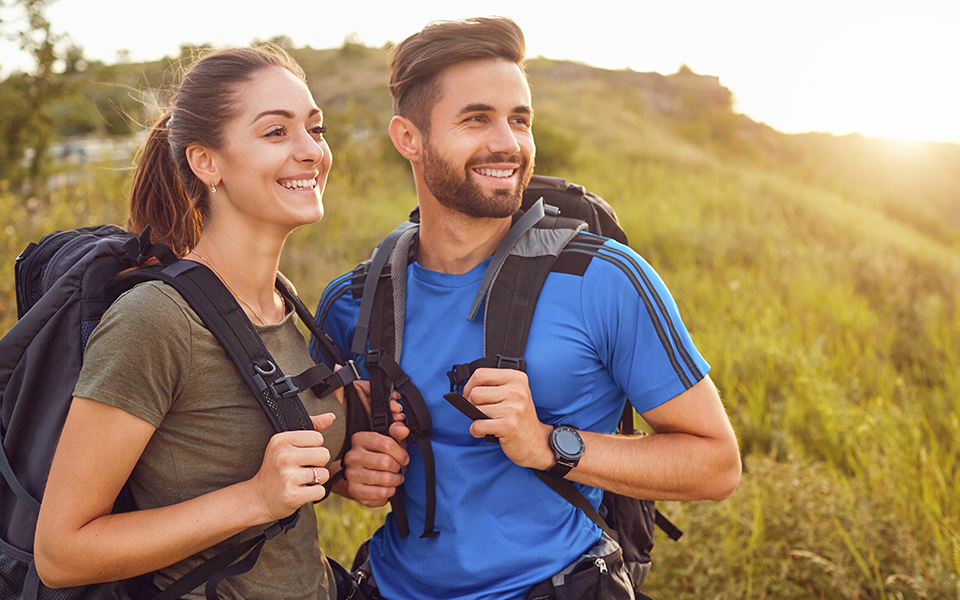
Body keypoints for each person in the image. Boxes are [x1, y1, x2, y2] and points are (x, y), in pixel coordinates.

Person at [315, 16, 742, 600]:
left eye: (520, 119)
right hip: (389, 586)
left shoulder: (604, 279)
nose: (508, 143)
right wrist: (348, 471)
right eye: (476, 118)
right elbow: (321, 457)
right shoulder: (352, 303)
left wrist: (549, 443)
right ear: (407, 138)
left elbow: (716, 464)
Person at [34, 46, 344, 599]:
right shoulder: (156, 320)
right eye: (276, 132)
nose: (310, 151)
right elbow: (61, 552)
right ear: (207, 163)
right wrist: (254, 499)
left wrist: (348, 461)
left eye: (315, 129)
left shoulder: (281, 302)